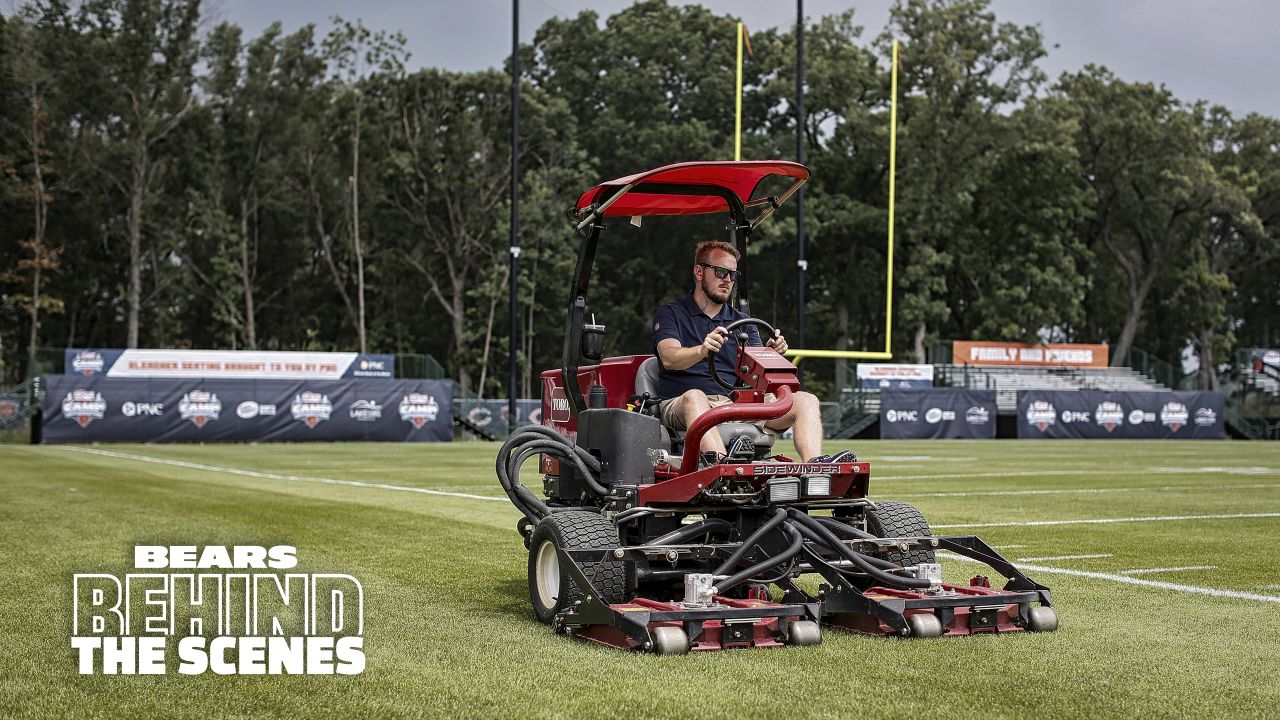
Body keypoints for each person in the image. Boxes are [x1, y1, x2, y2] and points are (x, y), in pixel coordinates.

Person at [651, 240, 854, 464]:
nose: (727, 280)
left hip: (735, 403)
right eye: (720, 272)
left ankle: (815, 468)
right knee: (694, 396)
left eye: (733, 275)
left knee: (806, 400)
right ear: (699, 272)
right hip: (684, 403)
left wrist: (770, 353)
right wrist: (702, 350)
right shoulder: (671, 314)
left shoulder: (742, 322)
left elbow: (756, 372)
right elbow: (669, 359)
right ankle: (722, 470)